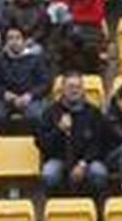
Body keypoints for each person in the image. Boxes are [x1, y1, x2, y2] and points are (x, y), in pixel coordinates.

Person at [37, 70, 108, 198]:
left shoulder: (94, 112)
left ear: (83, 89)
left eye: (78, 87)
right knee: (49, 174)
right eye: (70, 87)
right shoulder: (50, 113)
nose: (74, 90)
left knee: (99, 172)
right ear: (62, 89)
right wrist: (59, 130)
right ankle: (55, 207)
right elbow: (42, 143)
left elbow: (99, 142)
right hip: (58, 159)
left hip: (86, 161)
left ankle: (95, 208)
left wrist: (83, 163)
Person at [0, 24, 51, 134]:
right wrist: (5, 94)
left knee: (37, 115)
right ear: (5, 42)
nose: (14, 41)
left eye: (17, 38)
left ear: (24, 41)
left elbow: (45, 83)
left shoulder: (36, 59)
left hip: (30, 99)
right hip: (4, 99)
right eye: (10, 38)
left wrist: (30, 95)